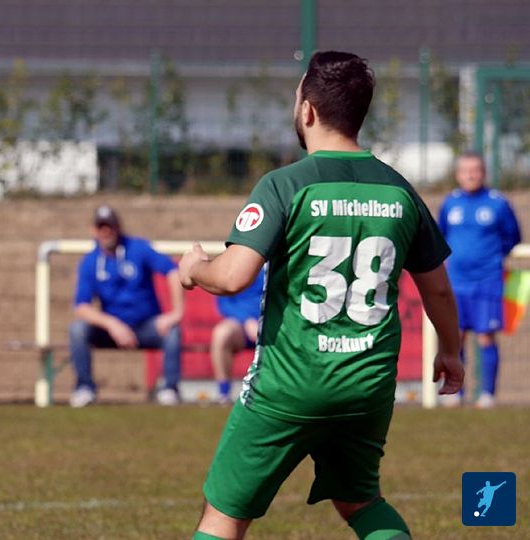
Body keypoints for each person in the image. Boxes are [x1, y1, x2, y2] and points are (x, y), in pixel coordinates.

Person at [178, 51, 463, 540]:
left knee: (223, 513)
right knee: (361, 501)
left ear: (307, 110)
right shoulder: (399, 190)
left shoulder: (285, 185)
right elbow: (436, 286)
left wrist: (194, 269)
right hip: (367, 385)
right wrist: (452, 351)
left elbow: (233, 276)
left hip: (290, 385)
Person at [69, 204, 184, 407]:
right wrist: (112, 324)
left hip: (146, 326)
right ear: (93, 230)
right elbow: (81, 306)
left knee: (172, 331)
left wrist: (176, 313)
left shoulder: (138, 248)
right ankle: (84, 388)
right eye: (101, 227)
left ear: (118, 227)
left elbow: (172, 271)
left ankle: (169, 389)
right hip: (111, 331)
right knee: (77, 330)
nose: (106, 231)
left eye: (110, 226)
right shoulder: (90, 261)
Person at [438, 151, 520, 409]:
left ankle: (487, 395)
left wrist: (492, 259)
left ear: (483, 173)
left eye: (475, 170)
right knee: (456, 337)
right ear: (458, 174)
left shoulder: (498, 203)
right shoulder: (450, 203)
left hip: (488, 281)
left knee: (486, 336)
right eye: (466, 171)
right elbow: (441, 236)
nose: (471, 175)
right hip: (456, 281)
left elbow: (513, 236)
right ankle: (456, 392)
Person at [211, 268, 265, 404]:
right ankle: (224, 393)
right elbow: (224, 305)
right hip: (240, 326)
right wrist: (246, 320)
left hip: (271, 323)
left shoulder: (275, 264)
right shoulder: (232, 265)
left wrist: (263, 321)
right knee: (221, 333)